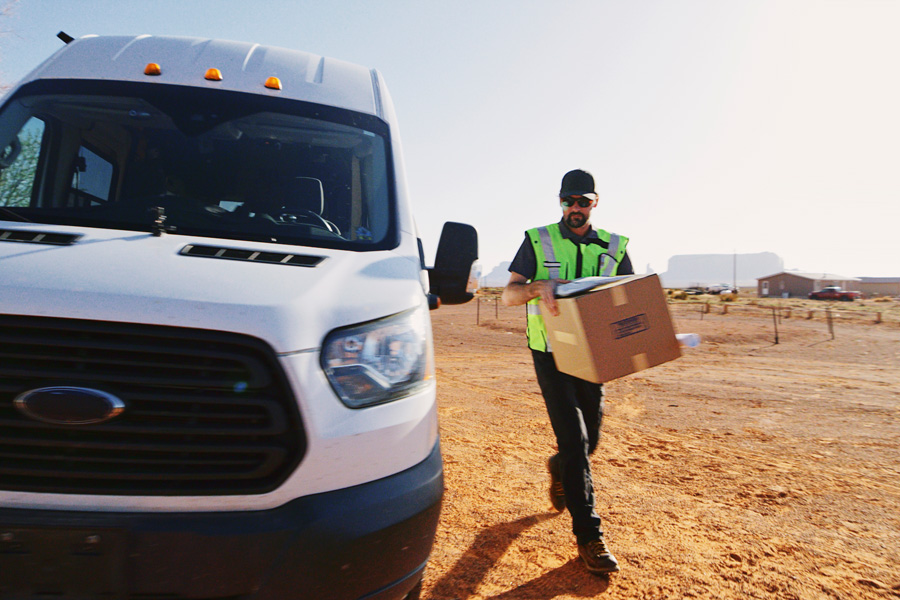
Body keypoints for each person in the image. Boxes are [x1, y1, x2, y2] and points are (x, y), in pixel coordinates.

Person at [501, 168, 633, 575]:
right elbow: (508, 295)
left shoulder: (614, 247)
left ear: (595, 203)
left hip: (594, 357)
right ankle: (589, 536)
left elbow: (629, 299)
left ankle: (559, 467)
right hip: (551, 354)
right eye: (568, 201)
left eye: (583, 201)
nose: (575, 208)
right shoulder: (537, 240)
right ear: (560, 202)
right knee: (575, 442)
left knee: (589, 440)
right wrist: (534, 288)